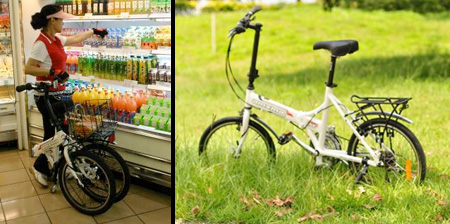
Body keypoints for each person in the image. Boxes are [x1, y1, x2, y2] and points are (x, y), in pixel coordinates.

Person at [25, 4, 108, 187]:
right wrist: (52, 71)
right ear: (52, 20)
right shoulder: (41, 43)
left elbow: (74, 38)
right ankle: (40, 167)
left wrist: (93, 31)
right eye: (60, 19)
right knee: (50, 133)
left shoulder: (55, 39)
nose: (63, 22)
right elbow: (28, 67)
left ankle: (65, 165)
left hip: (61, 93)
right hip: (45, 96)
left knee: (67, 133)